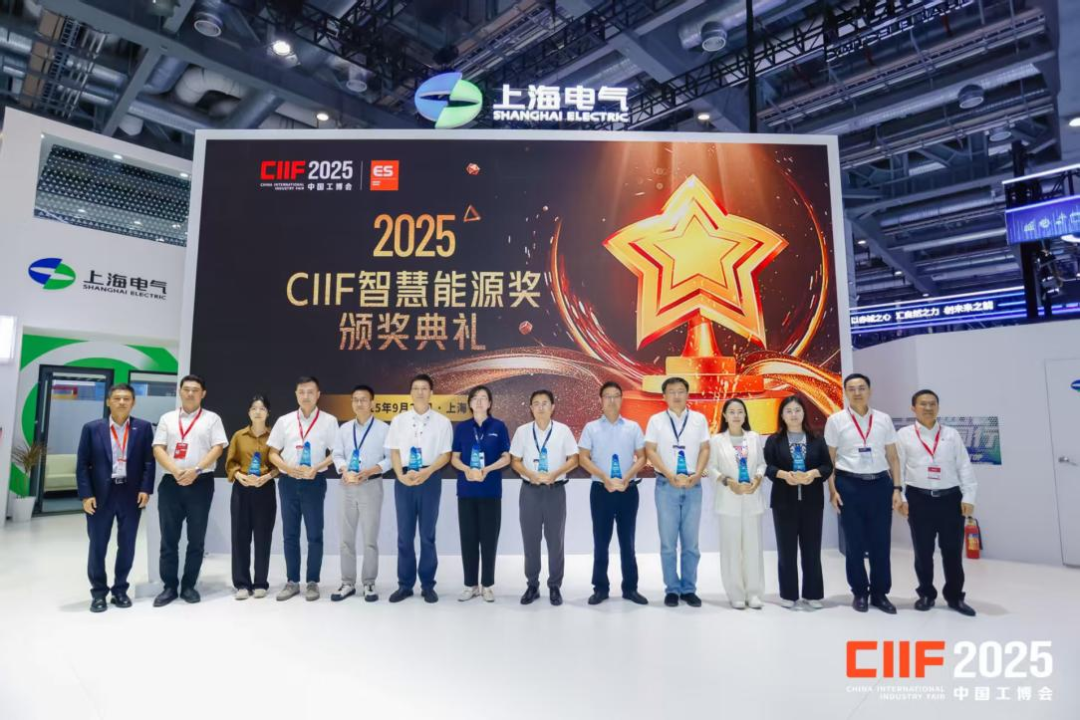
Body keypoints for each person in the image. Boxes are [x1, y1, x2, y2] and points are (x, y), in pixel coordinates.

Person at [825, 373, 903, 614]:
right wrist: (832, 491)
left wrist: (897, 488)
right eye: (852, 389)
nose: (857, 392)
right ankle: (859, 592)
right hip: (849, 485)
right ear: (845, 392)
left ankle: (880, 593)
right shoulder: (835, 421)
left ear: (869, 391)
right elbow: (829, 460)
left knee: (881, 542)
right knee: (854, 543)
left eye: (861, 388)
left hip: (880, 485)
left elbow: (893, 457)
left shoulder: (883, 419)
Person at [897, 389, 978, 616]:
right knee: (923, 551)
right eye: (923, 404)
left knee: (952, 551)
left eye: (932, 404)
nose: (928, 408)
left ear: (938, 407)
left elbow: (964, 466)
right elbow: (898, 468)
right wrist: (901, 497)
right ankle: (926, 594)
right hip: (919, 499)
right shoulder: (904, 435)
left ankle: (955, 596)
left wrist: (969, 496)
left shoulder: (951, 435)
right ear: (913, 408)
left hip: (950, 499)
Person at [76, 383, 155, 612]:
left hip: (130, 494)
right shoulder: (92, 428)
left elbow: (149, 462)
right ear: (108, 401)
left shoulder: (143, 428)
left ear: (133, 402)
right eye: (117, 398)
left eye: (126, 398)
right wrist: (86, 495)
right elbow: (82, 464)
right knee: (97, 545)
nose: (122, 402)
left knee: (127, 544)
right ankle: (98, 593)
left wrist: (145, 489)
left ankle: (120, 589)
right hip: (101, 495)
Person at [152, 374, 228, 607]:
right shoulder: (167, 418)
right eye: (186, 389)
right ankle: (169, 587)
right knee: (169, 538)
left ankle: (189, 586)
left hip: (200, 482)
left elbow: (218, 448)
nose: (190, 393)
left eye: (195, 390)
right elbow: (158, 448)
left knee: (196, 539)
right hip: (171, 483)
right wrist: (176, 470)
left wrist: (196, 469)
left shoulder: (212, 419)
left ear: (203, 393)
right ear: (180, 391)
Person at [268, 376, 339, 602]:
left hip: (314, 482)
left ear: (318, 395)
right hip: (288, 482)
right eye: (301, 392)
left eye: (310, 392)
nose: (306, 396)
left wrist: (316, 467)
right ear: (296, 394)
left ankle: (312, 581)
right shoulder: (284, 421)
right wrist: (288, 468)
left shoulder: (328, 421)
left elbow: (336, 453)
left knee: (314, 533)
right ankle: (292, 581)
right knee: (290, 534)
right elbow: (272, 453)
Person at [384, 373, 453, 604]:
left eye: (424, 388)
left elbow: (445, 455)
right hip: (404, 479)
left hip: (429, 479)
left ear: (431, 393)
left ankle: (427, 585)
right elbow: (394, 451)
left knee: (427, 535)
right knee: (404, 536)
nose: (420, 392)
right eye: (416, 388)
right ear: (410, 393)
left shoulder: (442, 422)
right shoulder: (399, 420)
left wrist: (427, 471)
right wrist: (400, 476)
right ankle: (405, 585)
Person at [578, 381, 648, 606]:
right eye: (607, 396)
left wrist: (627, 477)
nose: (611, 400)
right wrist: (604, 477)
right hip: (601, 491)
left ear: (621, 399)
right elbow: (583, 458)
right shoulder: (591, 428)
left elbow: (643, 457)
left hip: (628, 490)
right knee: (601, 542)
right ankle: (600, 588)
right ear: (600, 400)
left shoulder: (633, 427)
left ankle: (630, 588)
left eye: (616, 395)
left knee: (628, 542)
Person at [644, 377, 710, 608]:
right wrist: (669, 474)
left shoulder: (699, 420)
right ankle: (672, 589)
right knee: (668, 543)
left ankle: (689, 589)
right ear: (664, 396)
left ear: (687, 394)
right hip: (666, 485)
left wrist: (698, 474)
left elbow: (705, 449)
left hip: (693, 486)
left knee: (691, 544)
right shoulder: (656, 421)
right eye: (671, 392)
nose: (676, 395)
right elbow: (650, 450)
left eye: (681, 391)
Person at [510, 389, 579, 606]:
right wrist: (530, 474)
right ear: (531, 408)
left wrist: (555, 474)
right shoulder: (522, 431)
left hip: (554, 491)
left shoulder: (563, 431)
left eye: (545, 403)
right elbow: (515, 461)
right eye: (536, 404)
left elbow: (574, 459)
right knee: (530, 540)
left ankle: (555, 585)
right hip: (530, 491)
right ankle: (532, 585)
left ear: (553, 407)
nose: (540, 407)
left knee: (555, 541)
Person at [764, 396, 832, 610]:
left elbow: (827, 467)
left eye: (797, 410)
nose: (793, 414)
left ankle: (813, 594)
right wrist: (785, 475)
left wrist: (813, 474)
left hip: (812, 502)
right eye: (789, 411)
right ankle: (789, 593)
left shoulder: (816, 438)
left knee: (812, 549)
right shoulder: (774, 440)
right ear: (782, 415)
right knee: (786, 550)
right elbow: (768, 468)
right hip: (784, 502)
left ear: (804, 413)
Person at [330, 385, 391, 603]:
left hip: (371, 486)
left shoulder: (384, 429)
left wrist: (370, 471)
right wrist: (345, 470)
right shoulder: (344, 429)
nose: (359, 403)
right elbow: (337, 454)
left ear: (372, 403)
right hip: (347, 486)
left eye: (363, 399)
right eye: (355, 399)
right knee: (345, 539)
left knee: (370, 539)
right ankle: (347, 582)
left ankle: (369, 582)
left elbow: (390, 459)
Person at [450, 385, 511, 603]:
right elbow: (454, 458)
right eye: (475, 398)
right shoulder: (462, 428)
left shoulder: (499, 426)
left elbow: (506, 457)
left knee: (489, 539)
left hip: (490, 491)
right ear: (469, 403)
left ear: (490, 403)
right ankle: (471, 585)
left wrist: (487, 469)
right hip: (467, 491)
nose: (479, 401)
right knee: (468, 539)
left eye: (483, 398)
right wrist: (467, 470)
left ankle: (487, 585)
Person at [706, 399, 767, 610]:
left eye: (740, 411)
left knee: (753, 548)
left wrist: (757, 479)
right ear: (724, 415)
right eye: (731, 412)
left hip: (751, 498)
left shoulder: (754, 437)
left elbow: (761, 464)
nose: (736, 415)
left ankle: (754, 593)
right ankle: (736, 593)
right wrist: (728, 482)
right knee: (731, 549)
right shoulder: (717, 440)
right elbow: (711, 467)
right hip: (728, 500)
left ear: (745, 415)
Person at [224, 394, 279, 600]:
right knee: (240, 536)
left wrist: (267, 477)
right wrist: (239, 476)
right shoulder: (239, 436)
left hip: (265, 489)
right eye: (254, 408)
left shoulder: (275, 437)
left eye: (262, 408)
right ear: (248, 412)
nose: (258, 412)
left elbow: (279, 464)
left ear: (268, 413)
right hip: (242, 489)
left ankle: (260, 583)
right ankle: (241, 583)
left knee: (263, 537)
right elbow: (230, 463)